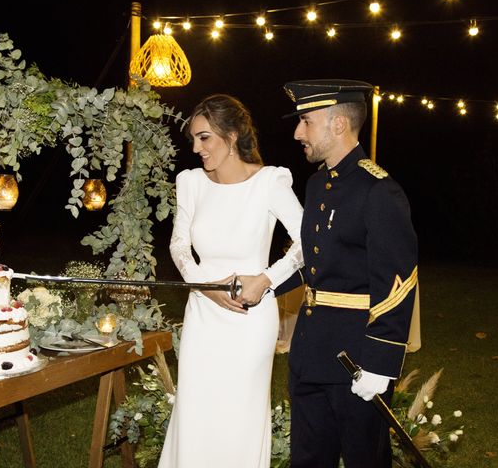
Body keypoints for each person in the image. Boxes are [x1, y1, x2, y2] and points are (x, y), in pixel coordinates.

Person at [158, 94, 304, 468]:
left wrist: (266, 279)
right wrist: (203, 286)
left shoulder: (270, 182)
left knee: (239, 414)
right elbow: (179, 245)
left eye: (204, 137)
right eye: (193, 138)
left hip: (249, 318)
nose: (196, 148)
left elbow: (308, 243)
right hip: (203, 315)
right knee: (195, 408)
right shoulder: (191, 183)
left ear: (233, 134)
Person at [279, 79, 418, 467]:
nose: (297, 132)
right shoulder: (317, 184)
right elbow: (317, 260)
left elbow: (398, 284)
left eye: (305, 121)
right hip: (310, 354)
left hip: (356, 361)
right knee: (307, 460)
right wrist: (265, 285)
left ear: (338, 123)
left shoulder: (379, 191)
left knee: (364, 461)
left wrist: (379, 363)